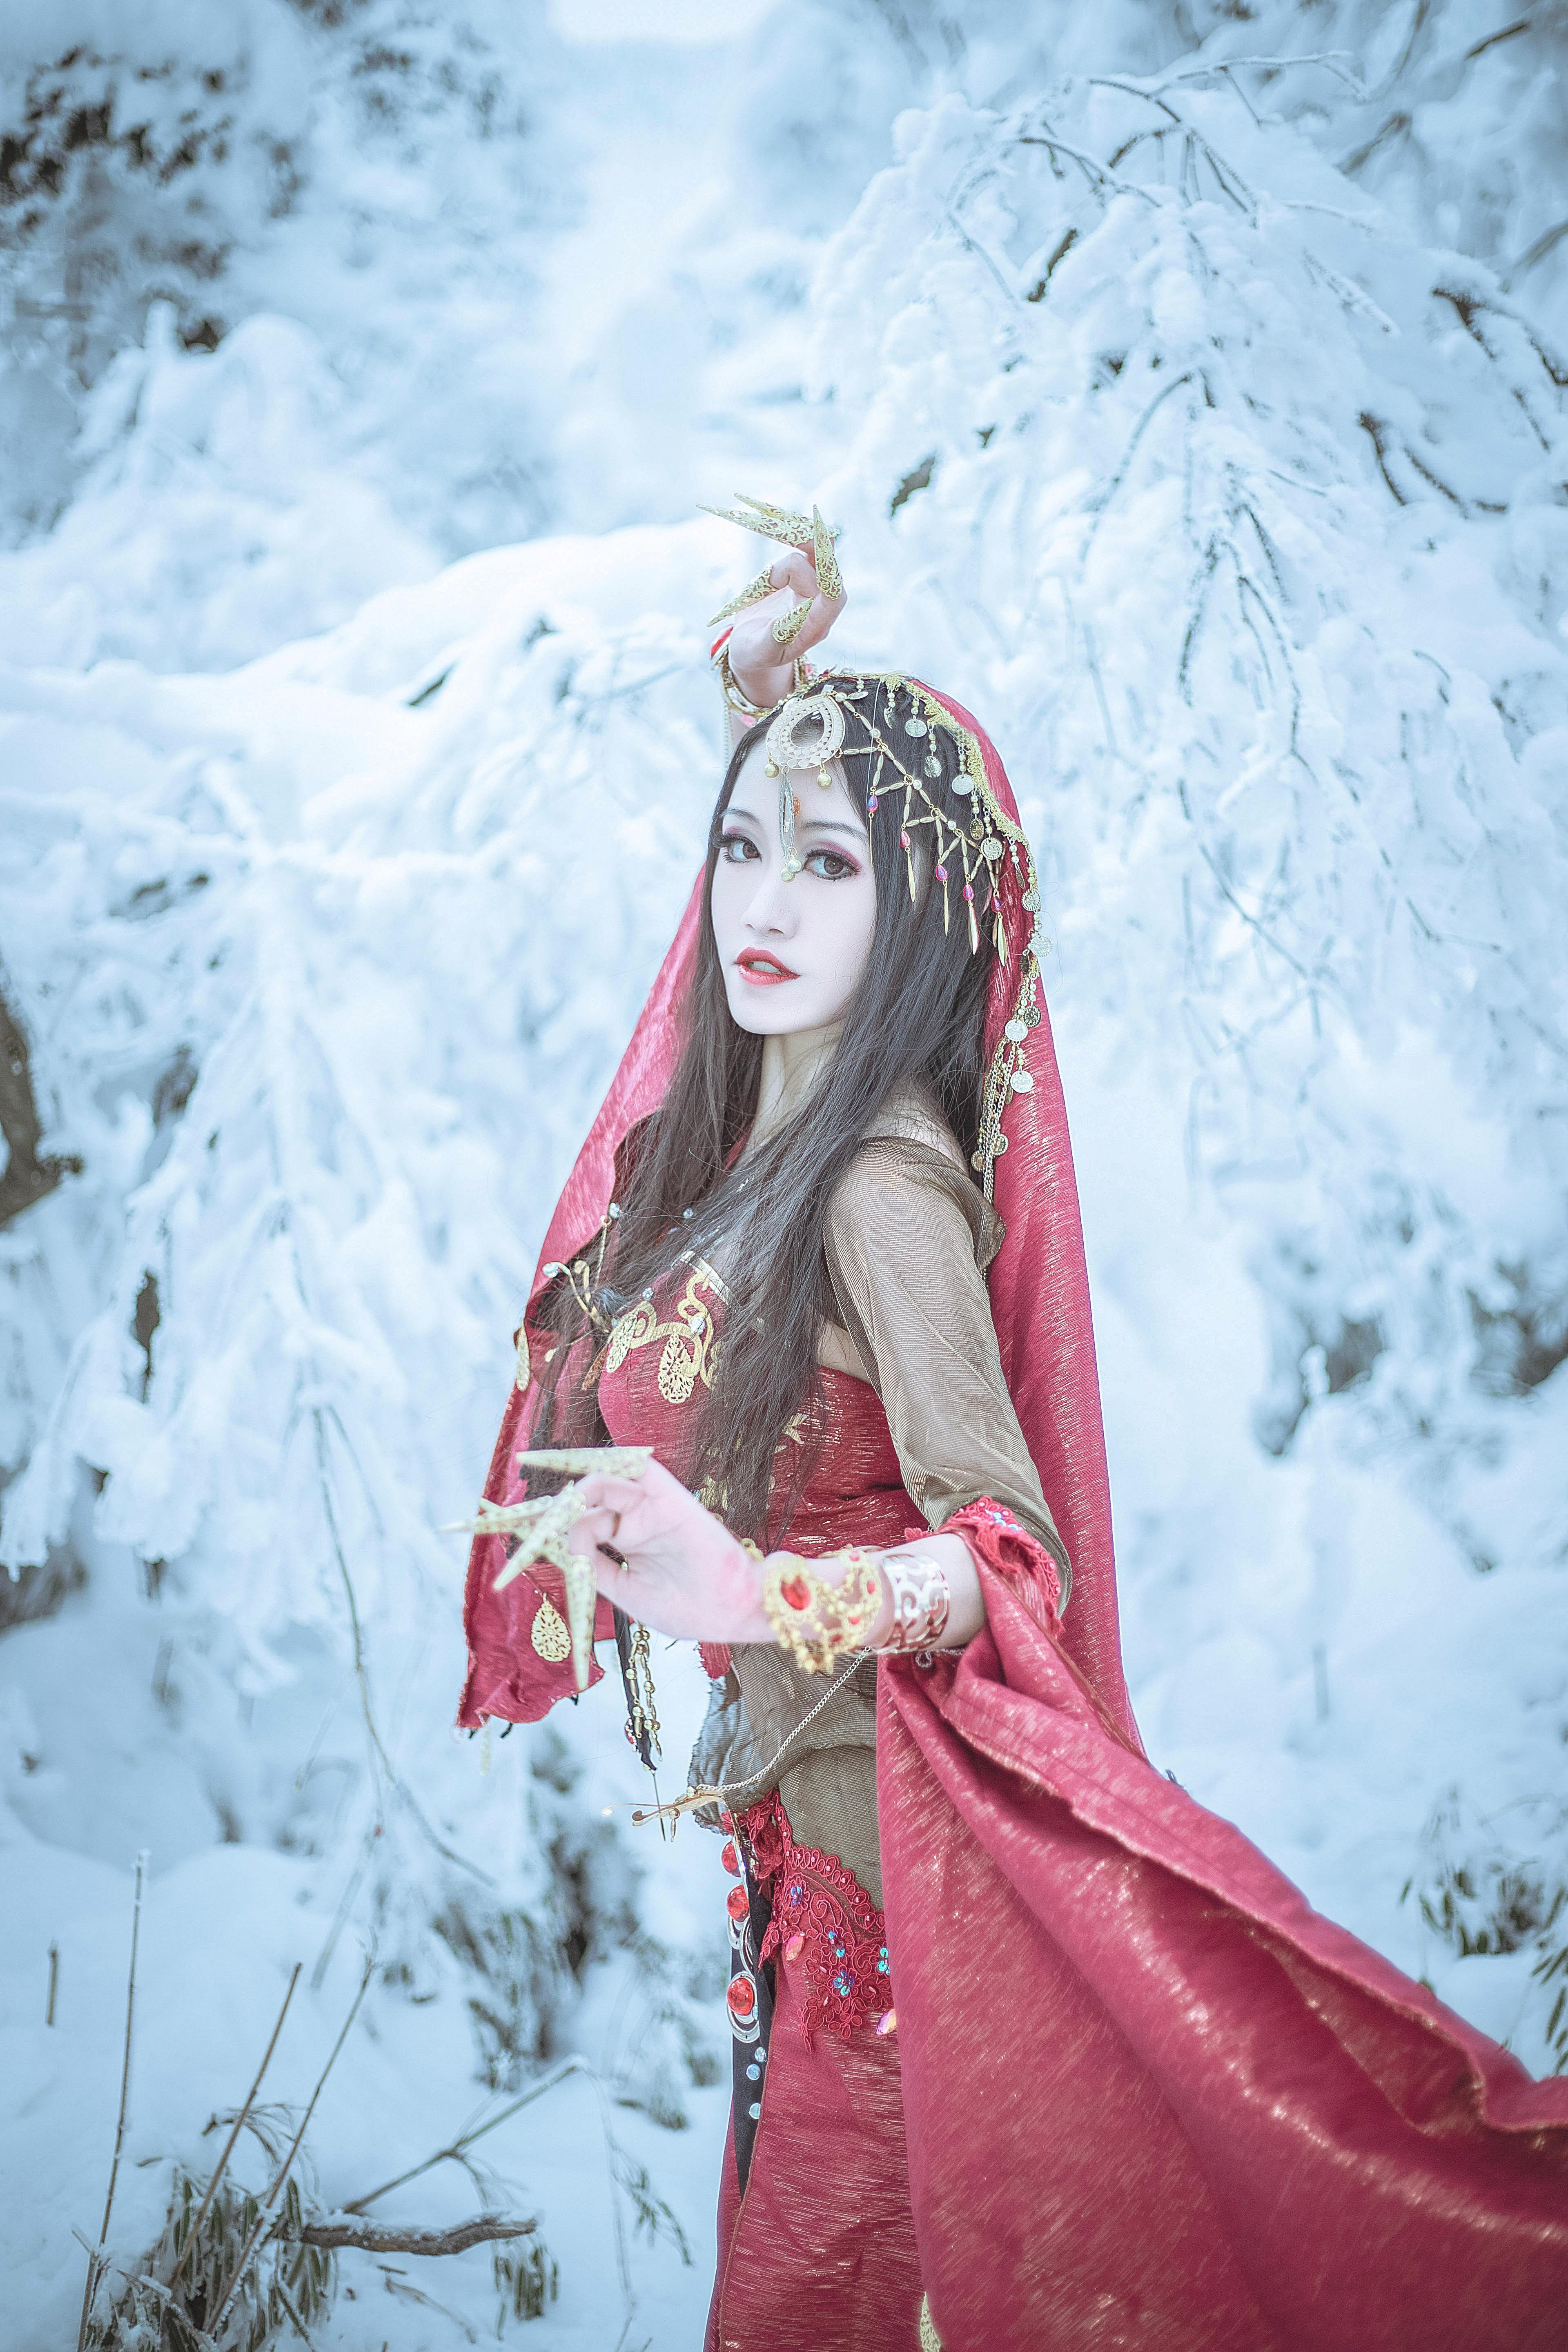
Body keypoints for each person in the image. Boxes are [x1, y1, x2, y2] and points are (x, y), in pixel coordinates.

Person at [460, 497, 1568, 2352]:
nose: (761, 905)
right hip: (806, 1880)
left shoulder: (879, 1187)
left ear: (918, 910)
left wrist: (759, 1596)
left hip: (905, 1905)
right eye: (740, 848)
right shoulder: (757, 1153)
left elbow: (1007, 1555)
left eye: (828, 864)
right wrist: (771, 711)